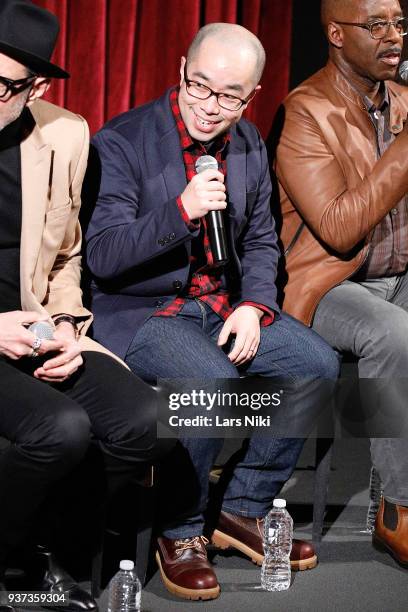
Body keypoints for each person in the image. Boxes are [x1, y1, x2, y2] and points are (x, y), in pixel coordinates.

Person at [84, 22, 339, 601]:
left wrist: (253, 305)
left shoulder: (247, 141)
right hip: (147, 310)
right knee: (209, 380)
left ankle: (243, 506)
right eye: (200, 86)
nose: (210, 106)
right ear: (180, 71)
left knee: (313, 364)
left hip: (221, 307)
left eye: (229, 95)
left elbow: (261, 243)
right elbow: (103, 257)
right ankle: (181, 528)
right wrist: (181, 210)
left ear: (251, 96)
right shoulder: (122, 141)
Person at [0, 3, 172, 612]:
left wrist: (68, 327)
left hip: (39, 325)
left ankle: (57, 550)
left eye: (1, 87)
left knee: (149, 420)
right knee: (63, 429)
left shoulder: (65, 134)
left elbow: (68, 255)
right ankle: (18, 558)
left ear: (35, 89)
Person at [275, 0, 408, 569]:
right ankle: (398, 509)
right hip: (331, 282)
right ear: (335, 33)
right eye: (375, 25)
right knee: (393, 335)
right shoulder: (306, 110)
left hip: (401, 272)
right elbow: (338, 228)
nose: (393, 37)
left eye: (400, 24)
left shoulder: (402, 100)